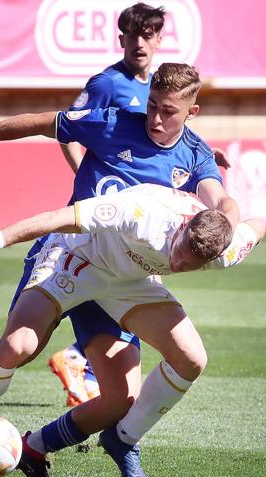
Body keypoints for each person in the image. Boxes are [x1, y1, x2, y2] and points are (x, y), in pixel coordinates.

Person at [0, 63, 239, 477]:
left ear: (191, 112)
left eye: (169, 112)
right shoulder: (111, 121)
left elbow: (222, 204)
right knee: (17, 347)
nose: (157, 119)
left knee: (120, 400)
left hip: (126, 278)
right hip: (73, 255)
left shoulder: (195, 153)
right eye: (153, 107)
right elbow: (40, 123)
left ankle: (39, 447)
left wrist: (228, 226)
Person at [0, 183, 264, 477]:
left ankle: (123, 438)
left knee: (192, 359)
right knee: (17, 345)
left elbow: (258, 226)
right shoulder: (141, 212)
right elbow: (54, 219)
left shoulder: (226, 250)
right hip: (76, 261)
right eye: (179, 252)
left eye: (190, 266)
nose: (178, 263)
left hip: (130, 283)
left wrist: (229, 218)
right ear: (185, 226)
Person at [52, 2, 165, 408]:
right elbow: (66, 129)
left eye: (148, 35)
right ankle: (78, 359)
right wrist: (86, 174)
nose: (140, 43)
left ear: (158, 39)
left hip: (137, 219)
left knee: (126, 295)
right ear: (122, 40)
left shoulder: (156, 88)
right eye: (133, 35)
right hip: (105, 218)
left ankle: (82, 362)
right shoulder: (106, 83)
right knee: (127, 293)